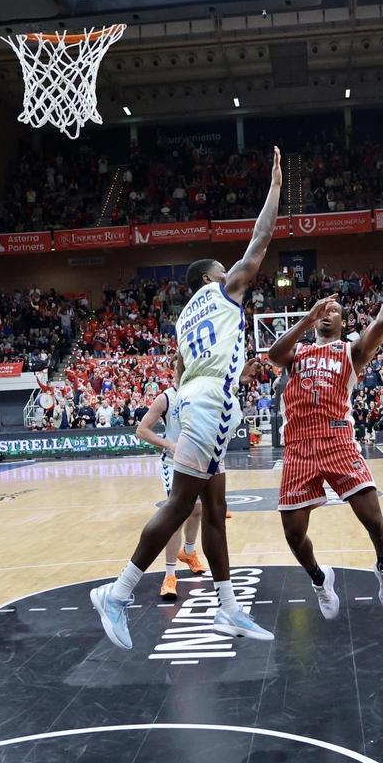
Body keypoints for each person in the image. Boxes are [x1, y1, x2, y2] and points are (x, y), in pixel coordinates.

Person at [90, 146, 285, 650]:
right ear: (209, 277)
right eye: (224, 268)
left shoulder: (183, 320)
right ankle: (119, 592)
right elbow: (260, 244)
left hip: (199, 398)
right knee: (181, 504)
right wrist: (275, 189)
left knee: (214, 510)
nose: (232, 272)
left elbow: (180, 372)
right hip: (210, 404)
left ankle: (229, 608)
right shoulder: (222, 292)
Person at [268, 255, 383, 620]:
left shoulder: (351, 351)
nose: (327, 313)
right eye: (323, 310)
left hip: (338, 441)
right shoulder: (295, 353)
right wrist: (306, 318)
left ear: (344, 322)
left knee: (373, 519)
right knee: (293, 533)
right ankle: (319, 579)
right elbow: (272, 354)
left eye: (335, 310)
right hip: (298, 446)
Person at [134, 373, 207, 601]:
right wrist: (168, 444)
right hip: (172, 464)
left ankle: (188, 551)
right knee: (177, 515)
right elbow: (141, 430)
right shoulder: (166, 398)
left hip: (196, 461)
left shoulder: (199, 393)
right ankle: (169, 575)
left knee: (197, 510)